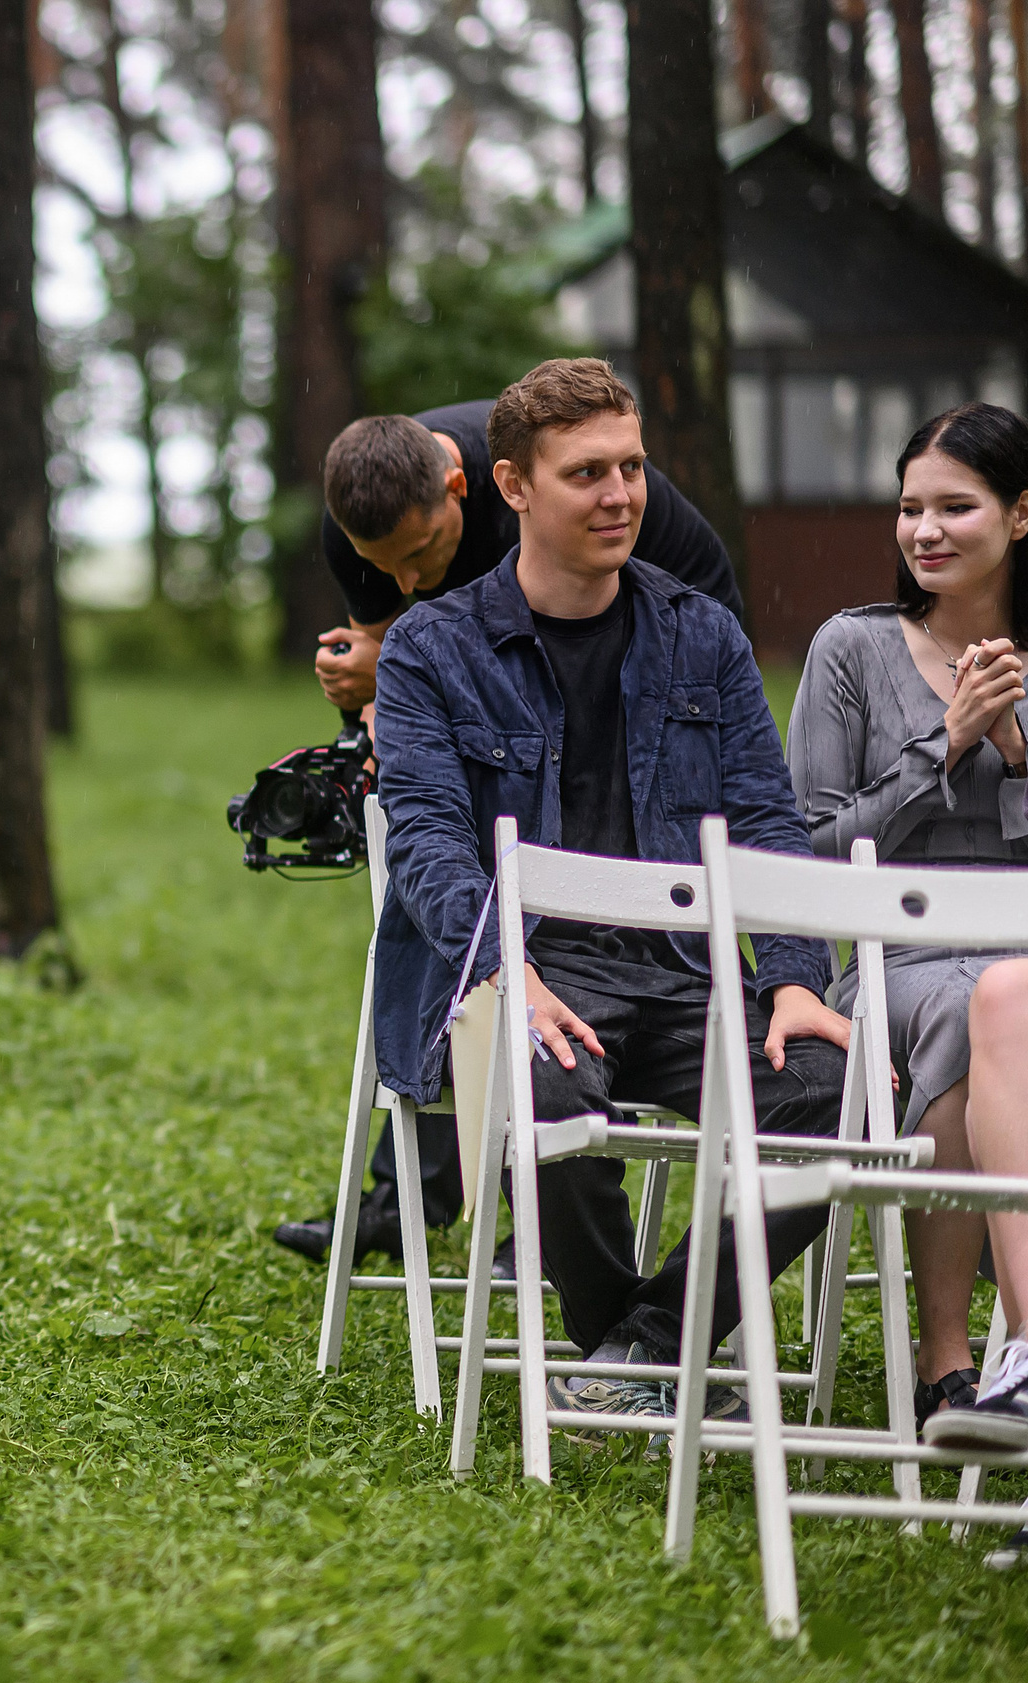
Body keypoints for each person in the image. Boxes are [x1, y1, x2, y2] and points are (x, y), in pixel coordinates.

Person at [371, 357, 849, 1422]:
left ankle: (644, 1346)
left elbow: (766, 821)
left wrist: (795, 978)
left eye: (631, 467)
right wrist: (505, 968)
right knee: (535, 1090)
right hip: (533, 963)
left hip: (681, 970)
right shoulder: (429, 650)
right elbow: (430, 845)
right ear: (512, 486)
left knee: (830, 1092)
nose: (621, 494)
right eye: (587, 472)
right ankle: (635, 1350)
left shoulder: (702, 632)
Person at [275, 392, 749, 1268]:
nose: (407, 582)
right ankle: (411, 1195)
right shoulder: (368, 522)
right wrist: (374, 687)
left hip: (644, 666)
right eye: (385, 565)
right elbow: (400, 660)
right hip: (493, 704)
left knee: (551, 926)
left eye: (423, 553)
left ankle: (536, 1221)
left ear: (469, 487)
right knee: (457, 911)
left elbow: (540, 661)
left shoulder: (548, 498)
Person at [788, 401, 1028, 1449]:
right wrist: (947, 744)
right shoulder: (850, 650)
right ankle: (957, 1354)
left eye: (954, 506)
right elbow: (809, 846)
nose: (924, 530)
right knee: (971, 1009)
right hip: (899, 955)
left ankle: (996, 1361)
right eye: (909, 507)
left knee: (1002, 999)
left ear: (1020, 514)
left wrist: (1015, 750)